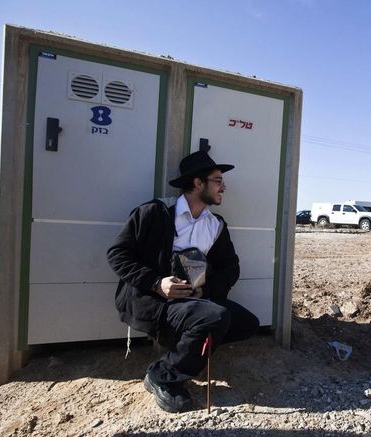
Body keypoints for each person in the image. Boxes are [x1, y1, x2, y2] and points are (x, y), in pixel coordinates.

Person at [107, 141, 259, 413]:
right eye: (218, 181)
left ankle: (187, 345)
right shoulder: (153, 213)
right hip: (153, 300)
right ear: (198, 183)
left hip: (193, 302)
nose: (223, 187)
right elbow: (118, 254)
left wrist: (205, 290)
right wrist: (157, 283)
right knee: (216, 318)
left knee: (247, 323)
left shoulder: (215, 225)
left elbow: (230, 267)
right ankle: (163, 375)